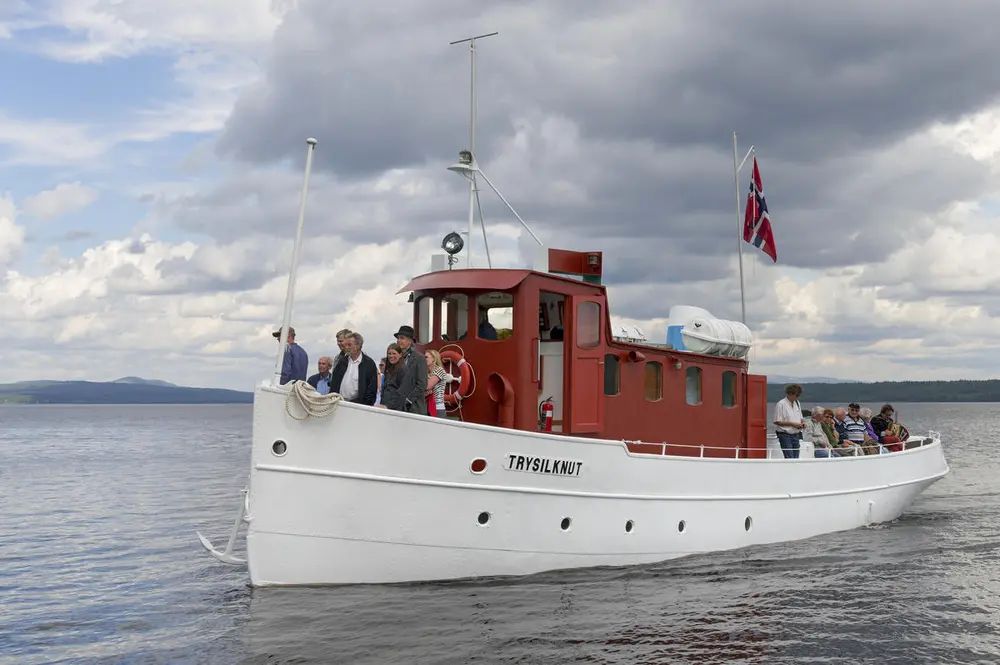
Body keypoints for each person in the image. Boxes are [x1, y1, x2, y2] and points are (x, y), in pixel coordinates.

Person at [378, 325, 427, 414]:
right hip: (393, 407)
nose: (399, 341)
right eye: (398, 338)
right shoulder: (393, 359)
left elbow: (421, 384)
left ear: (410, 341)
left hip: (412, 408)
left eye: (402, 338)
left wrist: (408, 400)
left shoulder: (420, 358)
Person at [328, 332, 378, 405]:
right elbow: (334, 385)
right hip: (339, 404)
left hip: (358, 406)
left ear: (358, 345)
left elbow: (371, 391)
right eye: (346, 345)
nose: (346, 347)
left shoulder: (368, 364)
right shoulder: (342, 362)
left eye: (349, 345)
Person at [773, 384, 805, 459]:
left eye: (798, 395)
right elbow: (777, 421)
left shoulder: (797, 403)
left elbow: (800, 417)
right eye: (796, 395)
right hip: (785, 435)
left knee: (796, 457)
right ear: (790, 393)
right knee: (789, 457)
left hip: (796, 434)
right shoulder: (781, 404)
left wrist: (803, 423)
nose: (797, 397)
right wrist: (792, 424)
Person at [425, 349, 448, 417]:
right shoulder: (426, 373)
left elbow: (427, 386)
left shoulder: (439, 370)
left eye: (426, 357)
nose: (424, 359)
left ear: (434, 359)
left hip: (437, 408)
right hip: (427, 406)